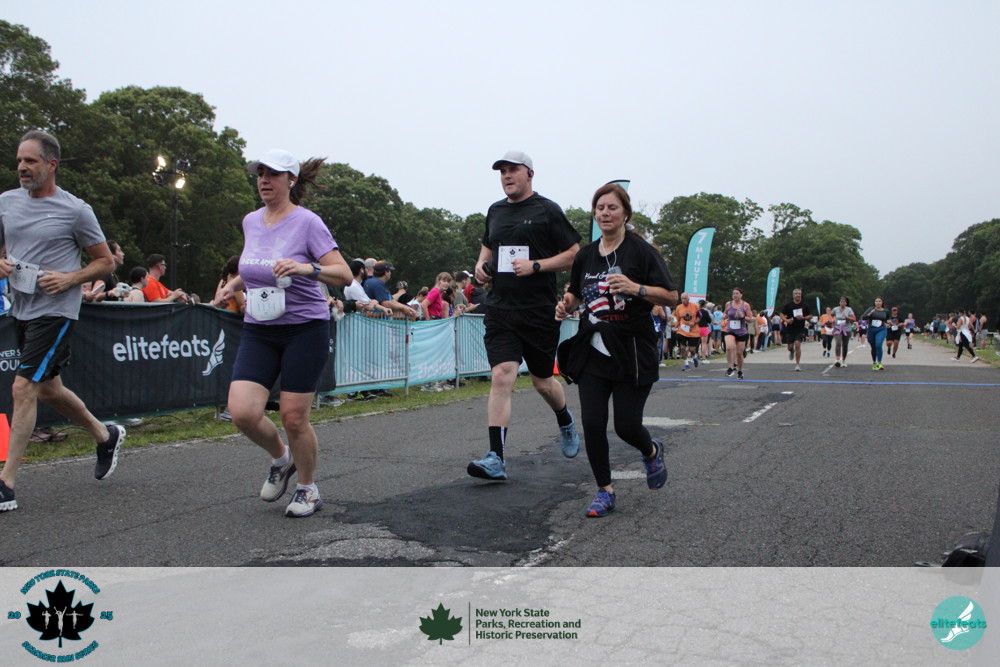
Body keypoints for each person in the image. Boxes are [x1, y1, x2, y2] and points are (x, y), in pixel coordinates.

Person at [216, 149, 352, 518]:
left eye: (273, 174)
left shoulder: (308, 222)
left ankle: (308, 489)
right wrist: (232, 285)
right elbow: (254, 265)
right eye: (260, 173)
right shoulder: (251, 221)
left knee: (293, 417)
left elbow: (343, 274)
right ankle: (281, 458)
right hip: (260, 329)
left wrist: (307, 268)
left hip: (304, 329)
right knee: (242, 412)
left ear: (291, 180)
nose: (264, 180)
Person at [0, 130, 127, 512]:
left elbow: (105, 262)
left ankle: (6, 483)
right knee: (49, 390)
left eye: (30, 161)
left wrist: (70, 279)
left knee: (23, 387)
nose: (22, 167)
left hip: (56, 311)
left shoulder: (75, 210)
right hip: (21, 307)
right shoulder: (6, 202)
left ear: (51, 164)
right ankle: (105, 435)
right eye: (19, 160)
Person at [555, 183, 678, 517]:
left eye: (612, 207)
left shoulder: (641, 252)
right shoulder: (586, 255)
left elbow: (671, 295)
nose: (605, 213)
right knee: (593, 423)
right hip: (593, 348)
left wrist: (636, 288)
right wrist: (566, 304)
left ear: (625, 213)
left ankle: (651, 451)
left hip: (631, 349)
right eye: (600, 208)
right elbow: (576, 292)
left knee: (626, 426)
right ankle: (604, 491)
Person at [466, 150, 581, 481]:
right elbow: (487, 248)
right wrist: (480, 266)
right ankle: (496, 458)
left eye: (512, 170)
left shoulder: (547, 210)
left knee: (542, 381)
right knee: (502, 374)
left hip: (538, 311)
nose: (506, 176)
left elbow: (575, 254)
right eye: (502, 171)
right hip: (501, 309)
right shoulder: (495, 211)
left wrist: (537, 266)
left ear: (529, 174)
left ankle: (565, 419)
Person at [722, 288, 753, 379]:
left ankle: (740, 371)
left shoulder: (745, 305)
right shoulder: (728, 304)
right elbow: (725, 313)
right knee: (729, 347)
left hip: (741, 331)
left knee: (739, 353)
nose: (735, 295)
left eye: (737, 293)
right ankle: (730, 368)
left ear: (741, 295)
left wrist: (742, 316)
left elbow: (750, 319)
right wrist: (725, 316)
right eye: (733, 293)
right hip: (730, 330)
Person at [780, 288, 811, 371]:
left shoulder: (804, 305)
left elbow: (810, 315)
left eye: (799, 294)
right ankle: (791, 351)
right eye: (796, 294)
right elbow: (781, 314)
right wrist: (787, 320)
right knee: (790, 347)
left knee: (797, 344)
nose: (798, 295)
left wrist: (803, 318)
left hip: (800, 329)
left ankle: (797, 364)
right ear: (793, 295)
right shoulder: (788, 305)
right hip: (790, 329)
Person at [860, 296, 890, 370]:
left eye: (879, 301)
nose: (878, 303)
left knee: (878, 344)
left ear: (882, 302)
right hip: (871, 329)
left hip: (881, 329)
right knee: (873, 346)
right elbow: (863, 317)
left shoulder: (885, 311)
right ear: (874, 302)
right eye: (876, 301)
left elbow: (888, 319)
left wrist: (888, 323)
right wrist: (870, 313)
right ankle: (874, 363)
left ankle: (879, 363)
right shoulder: (871, 309)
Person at [673, 293, 701, 370]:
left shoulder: (695, 306)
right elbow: (678, 320)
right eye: (682, 299)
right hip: (683, 330)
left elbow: (700, 316)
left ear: (688, 299)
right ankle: (686, 364)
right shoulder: (679, 307)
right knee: (682, 347)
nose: (683, 300)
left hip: (693, 331)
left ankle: (694, 357)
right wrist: (675, 327)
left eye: (685, 298)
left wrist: (694, 322)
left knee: (692, 349)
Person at [831, 296, 856, 367]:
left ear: (846, 303)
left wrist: (847, 317)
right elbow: (831, 315)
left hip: (846, 329)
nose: (842, 303)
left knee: (845, 345)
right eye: (841, 301)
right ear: (839, 302)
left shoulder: (849, 309)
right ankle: (837, 360)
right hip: (837, 328)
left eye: (844, 302)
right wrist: (833, 319)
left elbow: (854, 319)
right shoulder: (835, 309)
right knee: (838, 342)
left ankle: (844, 360)